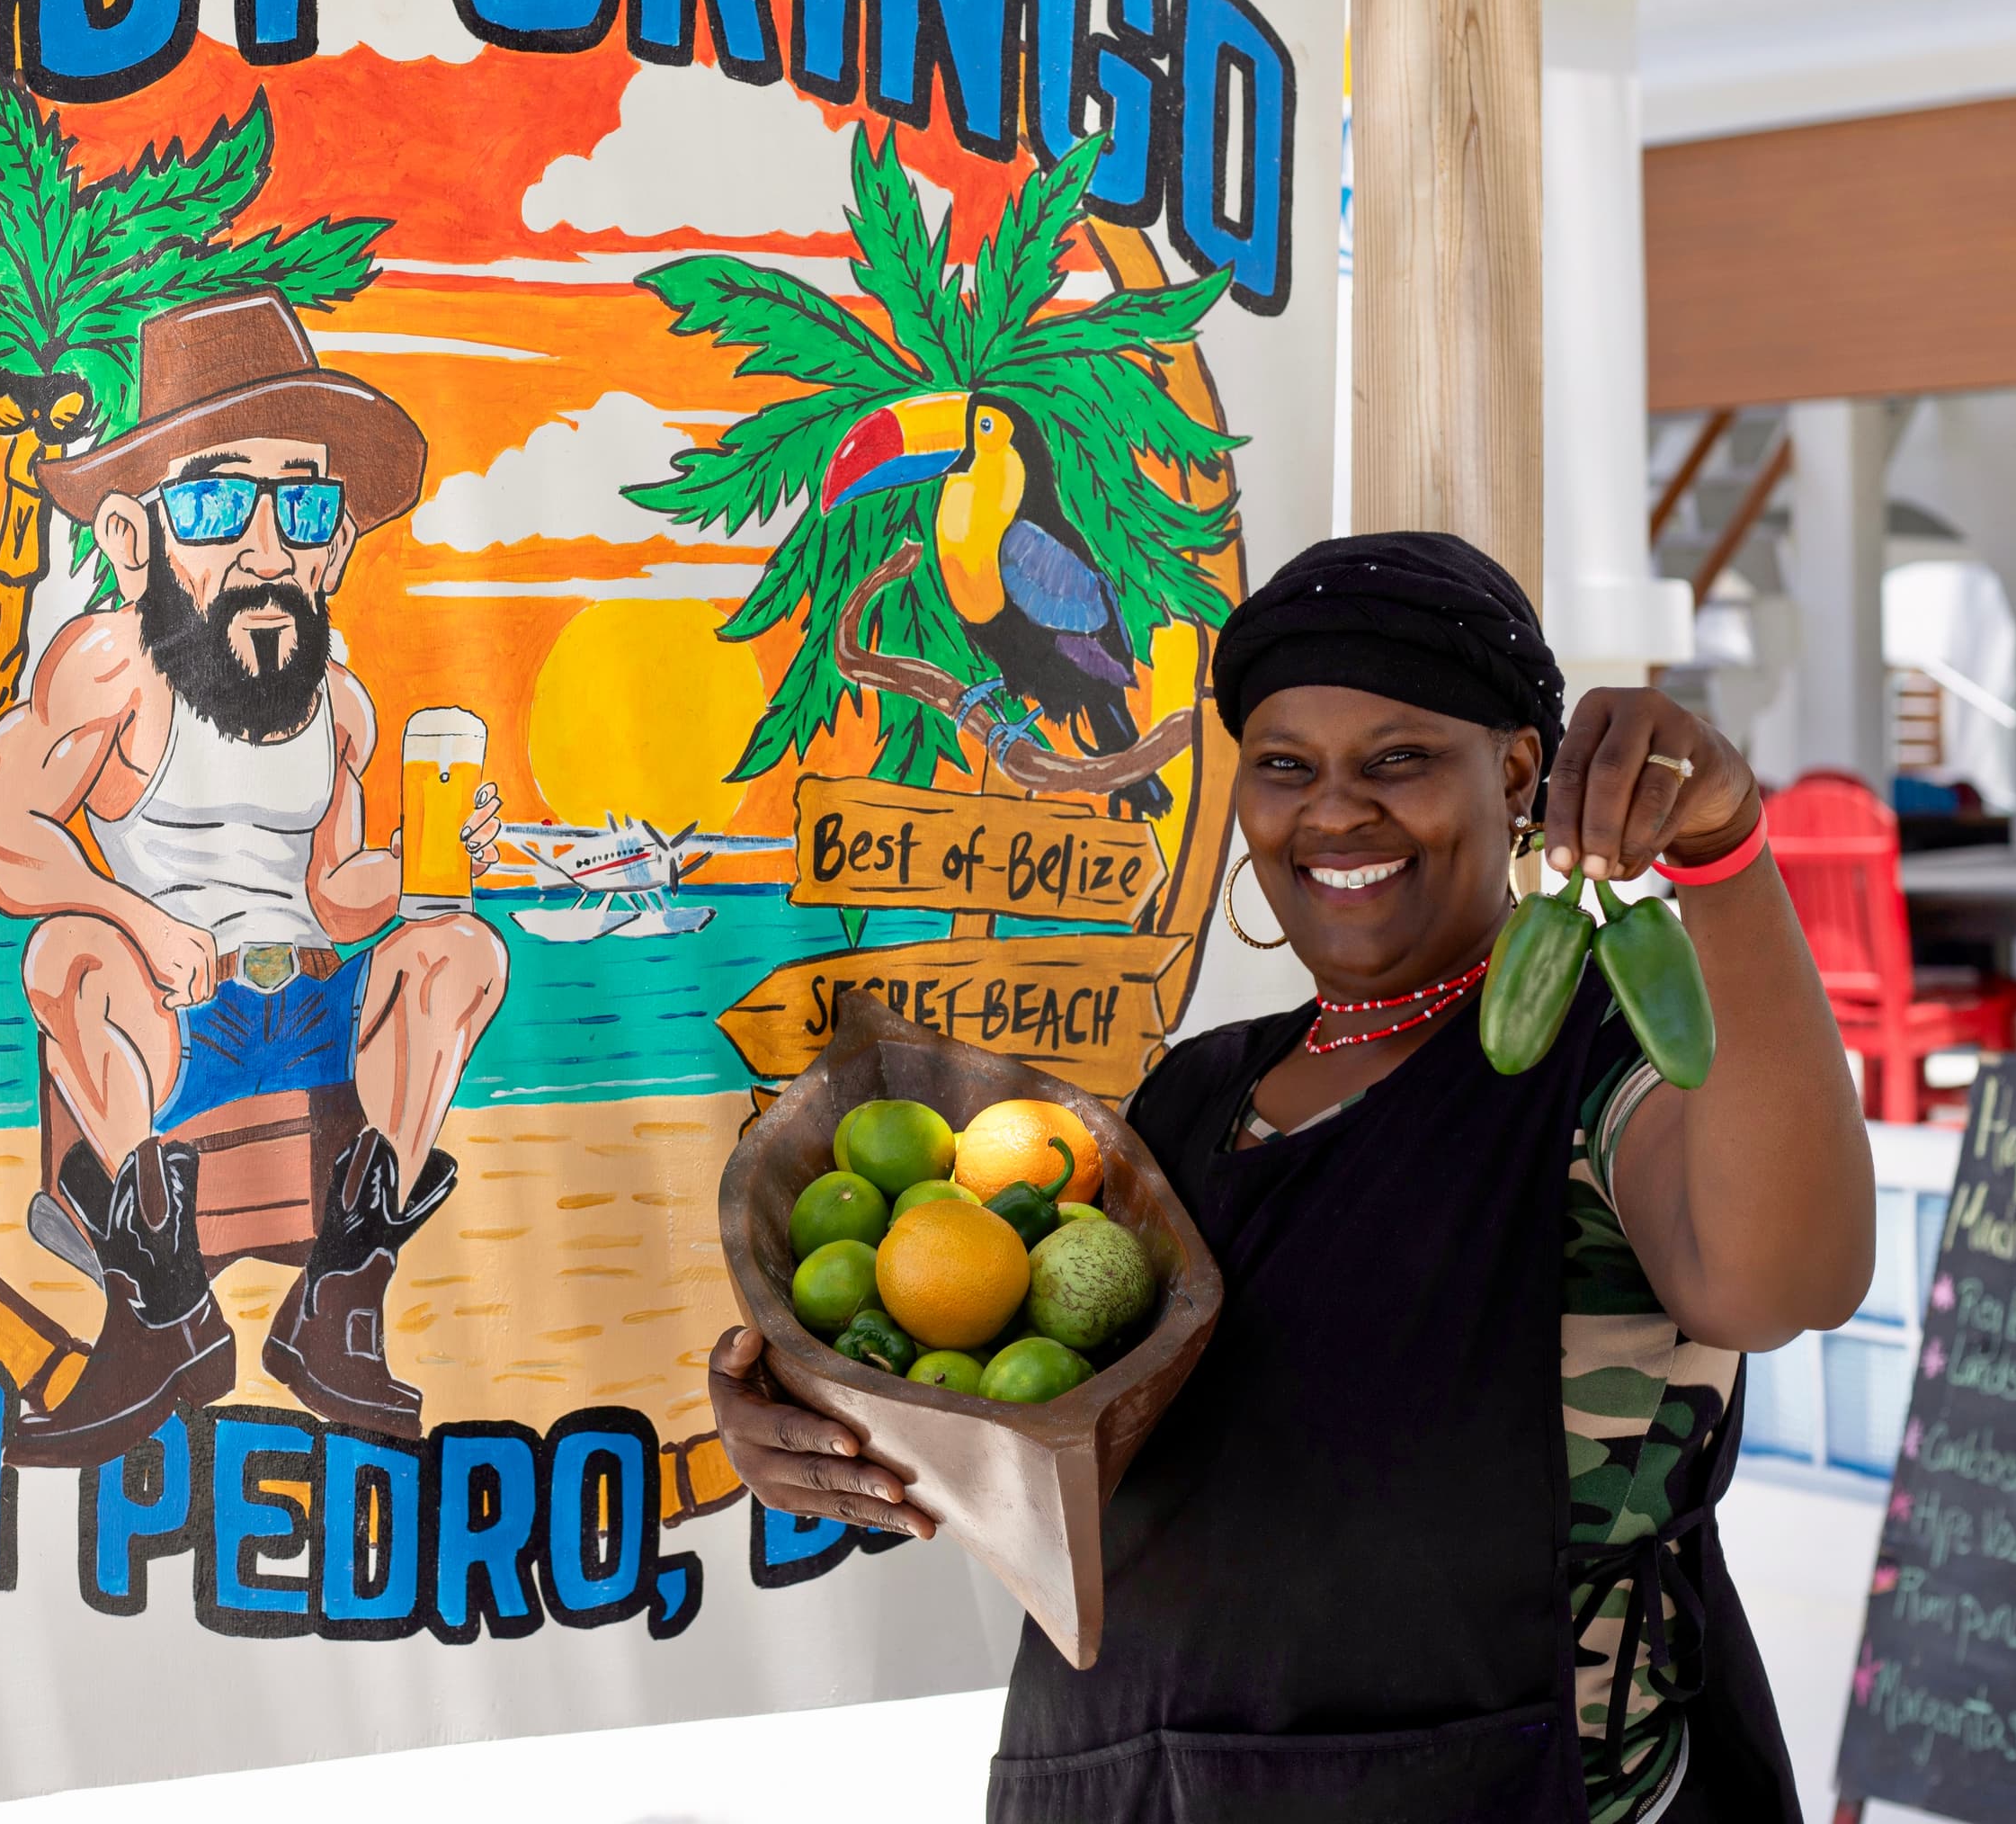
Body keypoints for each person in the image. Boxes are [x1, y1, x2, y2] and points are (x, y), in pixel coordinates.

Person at [709, 532, 1874, 1822]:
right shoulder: (1187, 1097)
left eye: (1400, 760)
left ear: (1519, 774)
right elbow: (1031, 1406)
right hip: (1120, 1780)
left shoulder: (1601, 1062)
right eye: (1284, 767)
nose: (1333, 810)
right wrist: (834, 1419)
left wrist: (1726, 857)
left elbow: (1783, 1283)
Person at [0, 291, 508, 1462]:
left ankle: (341, 1303)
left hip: (307, 1016)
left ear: (336, 543)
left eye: (301, 505)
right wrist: (131, 917)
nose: (266, 549)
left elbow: (335, 892)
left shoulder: (337, 700)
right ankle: (164, 1319)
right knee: (67, 951)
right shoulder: (113, 664)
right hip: (174, 1022)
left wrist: (421, 872)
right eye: (214, 503)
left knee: (459, 950)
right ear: (131, 538)